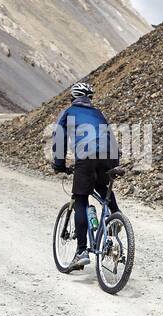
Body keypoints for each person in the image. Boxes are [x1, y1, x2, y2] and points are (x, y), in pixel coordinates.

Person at [52, 81, 121, 269]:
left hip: (87, 155)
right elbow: (111, 138)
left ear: (73, 98)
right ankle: (116, 215)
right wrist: (115, 164)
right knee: (101, 186)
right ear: (89, 99)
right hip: (110, 157)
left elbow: (59, 138)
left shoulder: (69, 112)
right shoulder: (98, 113)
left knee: (81, 199)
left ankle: (81, 252)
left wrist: (59, 164)